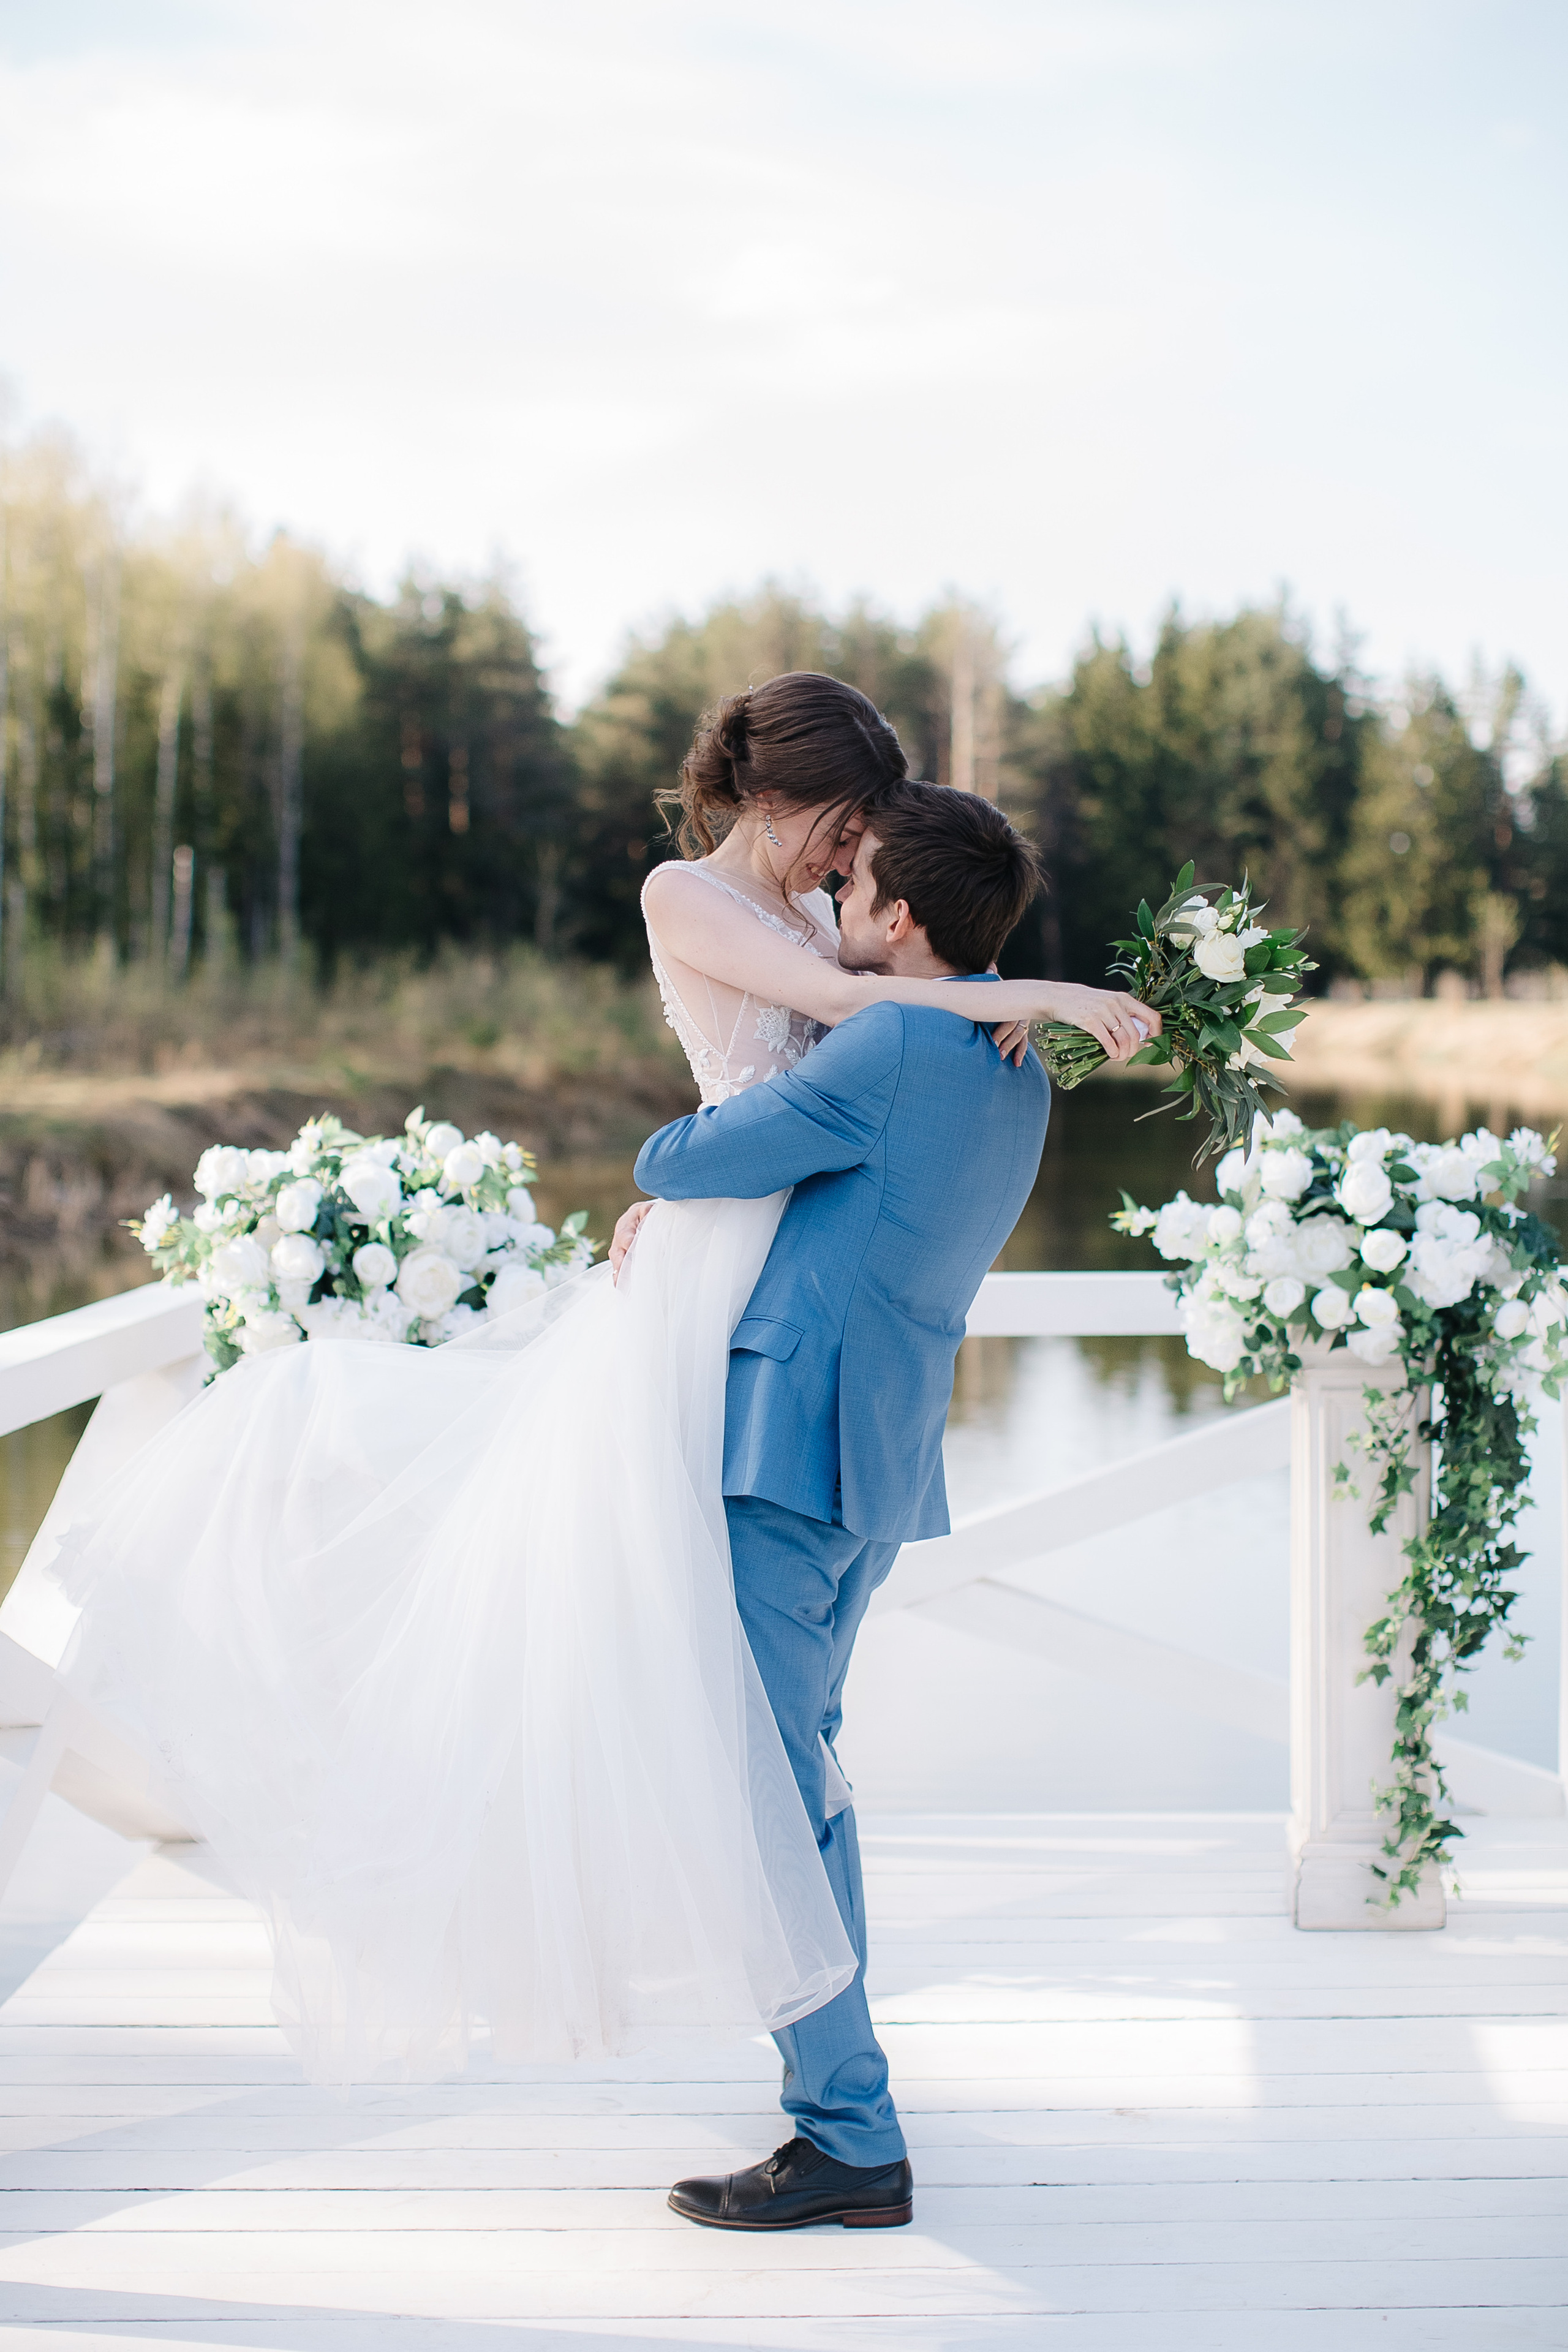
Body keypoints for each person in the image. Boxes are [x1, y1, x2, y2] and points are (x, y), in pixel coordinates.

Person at [53, 672, 1158, 2095]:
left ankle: (839, 2110)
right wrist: (1037, 991)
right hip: (757, 1306)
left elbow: (868, 1024)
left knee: (746, 1733)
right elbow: (841, 1012)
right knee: (656, 1665)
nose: (847, 852)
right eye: (841, 822)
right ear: (770, 796)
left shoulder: (880, 956)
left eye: (866, 840)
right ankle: (824, 2095)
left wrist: (727, 1158)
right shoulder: (688, 896)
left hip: (769, 1304)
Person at [624, 778, 1061, 2231]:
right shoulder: (1011, 1056)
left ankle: (849, 2132)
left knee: (768, 1787)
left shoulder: (888, 1046)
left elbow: (681, 1157)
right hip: (873, 1456)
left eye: (852, 882)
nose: (830, 901)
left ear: (901, 919)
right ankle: (836, 2104)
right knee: (797, 1771)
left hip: (788, 1451)